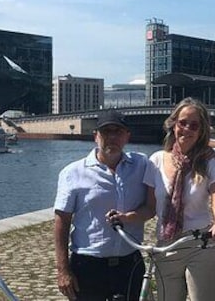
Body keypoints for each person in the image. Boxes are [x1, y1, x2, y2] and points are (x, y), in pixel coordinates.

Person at [53, 110, 156, 301]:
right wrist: (63, 270)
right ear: (96, 137)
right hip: (88, 266)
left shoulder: (142, 165)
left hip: (129, 264)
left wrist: (129, 217)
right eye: (106, 132)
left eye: (118, 132)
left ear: (127, 136)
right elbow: (61, 222)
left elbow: (150, 208)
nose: (112, 137)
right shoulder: (73, 173)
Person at [144, 97, 215, 301]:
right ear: (173, 124)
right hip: (167, 245)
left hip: (200, 243)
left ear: (201, 131)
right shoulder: (156, 160)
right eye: (183, 123)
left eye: (194, 125)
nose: (187, 129)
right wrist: (125, 217)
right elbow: (149, 207)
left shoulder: (209, 160)